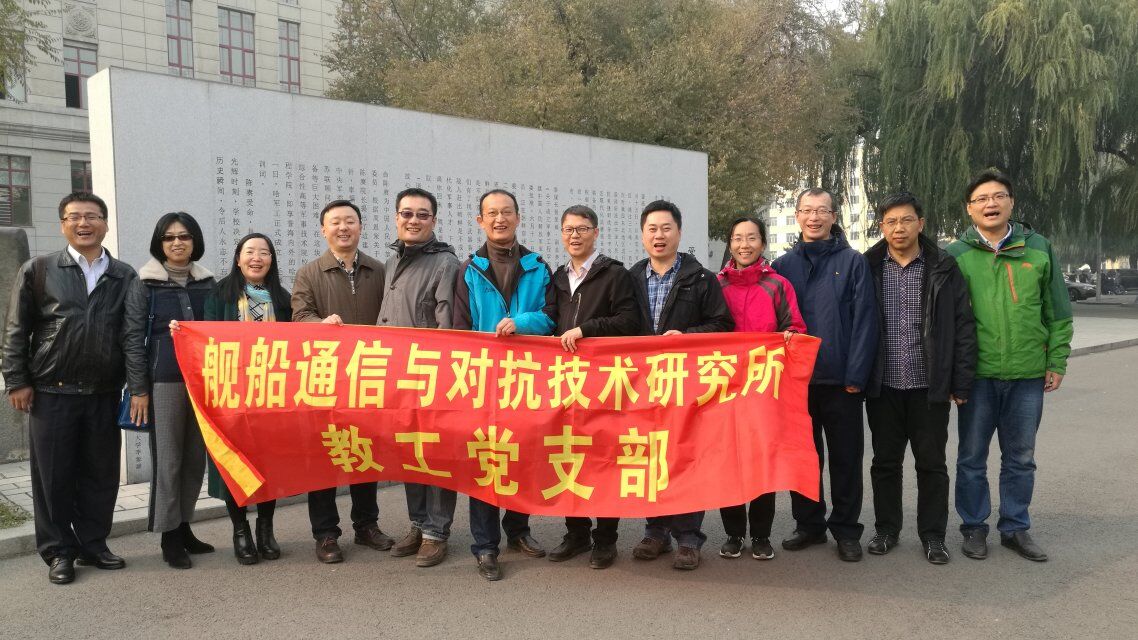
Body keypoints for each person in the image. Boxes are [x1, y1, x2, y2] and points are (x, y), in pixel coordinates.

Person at [2, 192, 148, 585]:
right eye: (74, 217)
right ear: (63, 224)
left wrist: (138, 388)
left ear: (105, 223)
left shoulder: (124, 275)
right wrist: (17, 380)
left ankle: (93, 544)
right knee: (53, 477)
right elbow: (16, 330)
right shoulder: (39, 270)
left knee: (101, 475)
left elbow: (132, 336)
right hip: (51, 392)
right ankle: (58, 551)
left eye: (92, 216)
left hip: (103, 392)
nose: (84, 223)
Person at [947, 169, 1073, 562]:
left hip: (1027, 374)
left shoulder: (1038, 248)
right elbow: (945, 322)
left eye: (998, 196)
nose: (991, 204)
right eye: (981, 199)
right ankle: (974, 527)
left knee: (1020, 459)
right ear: (969, 209)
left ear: (1011, 202)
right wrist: (953, 374)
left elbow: (1058, 312)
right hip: (978, 376)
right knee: (971, 458)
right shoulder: (956, 255)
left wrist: (1057, 360)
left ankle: (1015, 528)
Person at [863, 193, 976, 565]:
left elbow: (962, 325)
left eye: (906, 220)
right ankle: (886, 530)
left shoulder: (943, 266)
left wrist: (960, 381)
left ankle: (933, 536)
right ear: (882, 226)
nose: (899, 228)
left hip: (929, 387)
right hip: (884, 385)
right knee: (885, 463)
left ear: (920, 224)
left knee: (931, 465)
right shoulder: (868, 266)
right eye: (891, 221)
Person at [453, 189, 555, 581]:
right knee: (485, 460)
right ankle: (485, 546)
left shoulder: (538, 266)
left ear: (518, 217)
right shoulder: (469, 269)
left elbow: (552, 317)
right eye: (492, 213)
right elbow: (460, 329)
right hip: (482, 381)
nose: (500, 219)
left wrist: (522, 323)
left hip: (526, 379)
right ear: (480, 220)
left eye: (506, 212)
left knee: (522, 456)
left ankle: (518, 530)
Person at [772, 187, 878, 562]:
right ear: (797, 216)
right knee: (803, 458)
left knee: (846, 459)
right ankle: (809, 525)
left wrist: (856, 375)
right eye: (807, 210)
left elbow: (865, 321)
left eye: (822, 211)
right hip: (796, 382)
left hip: (841, 380)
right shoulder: (783, 267)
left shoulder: (852, 262)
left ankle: (846, 530)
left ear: (834, 217)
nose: (814, 217)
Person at [628, 200, 734, 571]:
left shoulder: (701, 278)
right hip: (643, 385)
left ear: (679, 232)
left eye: (666, 228)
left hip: (686, 385)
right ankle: (655, 531)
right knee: (651, 457)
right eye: (652, 229)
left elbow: (722, 325)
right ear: (643, 235)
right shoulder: (631, 278)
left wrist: (686, 336)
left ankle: (688, 538)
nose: (659, 236)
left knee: (686, 458)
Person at [291, 199, 391, 564]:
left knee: (365, 453)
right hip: (326, 378)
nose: (343, 227)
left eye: (350, 221)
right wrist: (319, 325)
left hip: (368, 377)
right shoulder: (309, 272)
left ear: (360, 227)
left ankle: (366, 525)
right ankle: (326, 533)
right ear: (324, 230)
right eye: (335, 222)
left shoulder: (380, 271)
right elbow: (299, 315)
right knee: (324, 457)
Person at [541, 204, 641, 570]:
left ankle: (606, 539)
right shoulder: (557, 276)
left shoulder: (614, 274)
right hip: (567, 383)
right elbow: (550, 319)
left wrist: (587, 329)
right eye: (568, 229)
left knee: (605, 459)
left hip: (605, 383)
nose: (575, 235)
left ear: (596, 232)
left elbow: (629, 321)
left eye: (582, 229)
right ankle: (577, 532)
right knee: (571, 455)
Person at [378, 188, 461, 569]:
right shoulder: (392, 260)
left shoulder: (445, 262)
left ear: (434, 221)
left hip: (431, 376)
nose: (413, 220)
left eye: (422, 215)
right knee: (411, 452)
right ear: (397, 217)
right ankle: (417, 523)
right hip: (397, 376)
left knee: (437, 455)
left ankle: (436, 532)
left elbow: (447, 322)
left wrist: (441, 377)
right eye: (407, 213)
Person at [715, 215, 805, 562]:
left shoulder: (778, 285)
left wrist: (791, 336)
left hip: (765, 387)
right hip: (723, 387)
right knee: (729, 463)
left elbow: (794, 325)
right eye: (738, 238)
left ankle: (762, 535)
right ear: (730, 244)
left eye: (752, 238)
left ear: (762, 244)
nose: (744, 245)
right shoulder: (716, 285)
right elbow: (706, 329)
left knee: (762, 461)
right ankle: (734, 534)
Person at [200, 233, 292, 564]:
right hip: (231, 395)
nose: (257, 258)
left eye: (264, 252)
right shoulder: (219, 295)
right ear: (238, 259)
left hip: (271, 396)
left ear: (272, 260)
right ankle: (241, 530)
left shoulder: (283, 299)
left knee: (268, 462)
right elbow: (206, 340)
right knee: (233, 462)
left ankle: (266, 529)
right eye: (249, 252)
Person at [132, 212, 216, 569]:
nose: (177, 243)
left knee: (195, 458)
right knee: (169, 458)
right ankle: (168, 536)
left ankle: (184, 527)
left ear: (194, 241)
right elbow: (132, 338)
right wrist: (139, 389)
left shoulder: (208, 283)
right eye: (169, 237)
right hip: (163, 380)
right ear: (160, 243)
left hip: (203, 381)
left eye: (184, 236)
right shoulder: (145, 284)